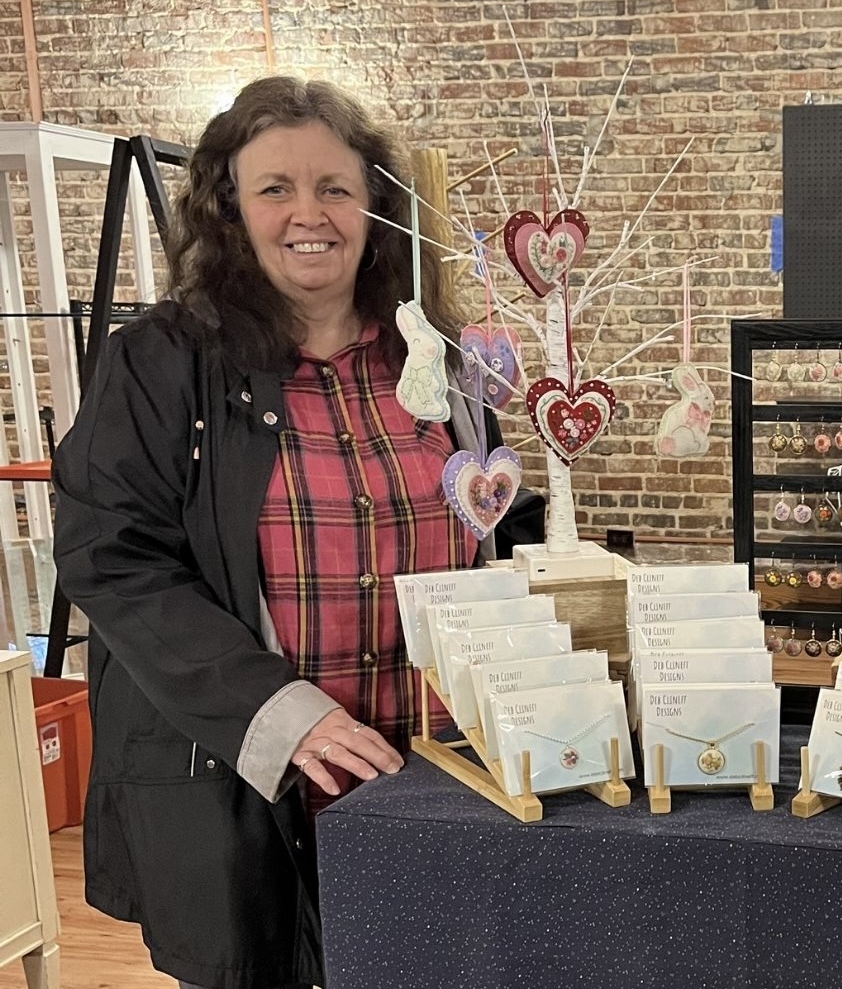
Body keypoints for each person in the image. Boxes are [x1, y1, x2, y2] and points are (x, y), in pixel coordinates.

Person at [51, 76, 540, 989]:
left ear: (377, 209)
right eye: (275, 187)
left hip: (437, 781)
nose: (307, 214)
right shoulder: (164, 360)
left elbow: (488, 525)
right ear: (229, 208)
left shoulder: (436, 357)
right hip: (247, 794)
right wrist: (281, 712)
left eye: (335, 188)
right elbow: (109, 557)